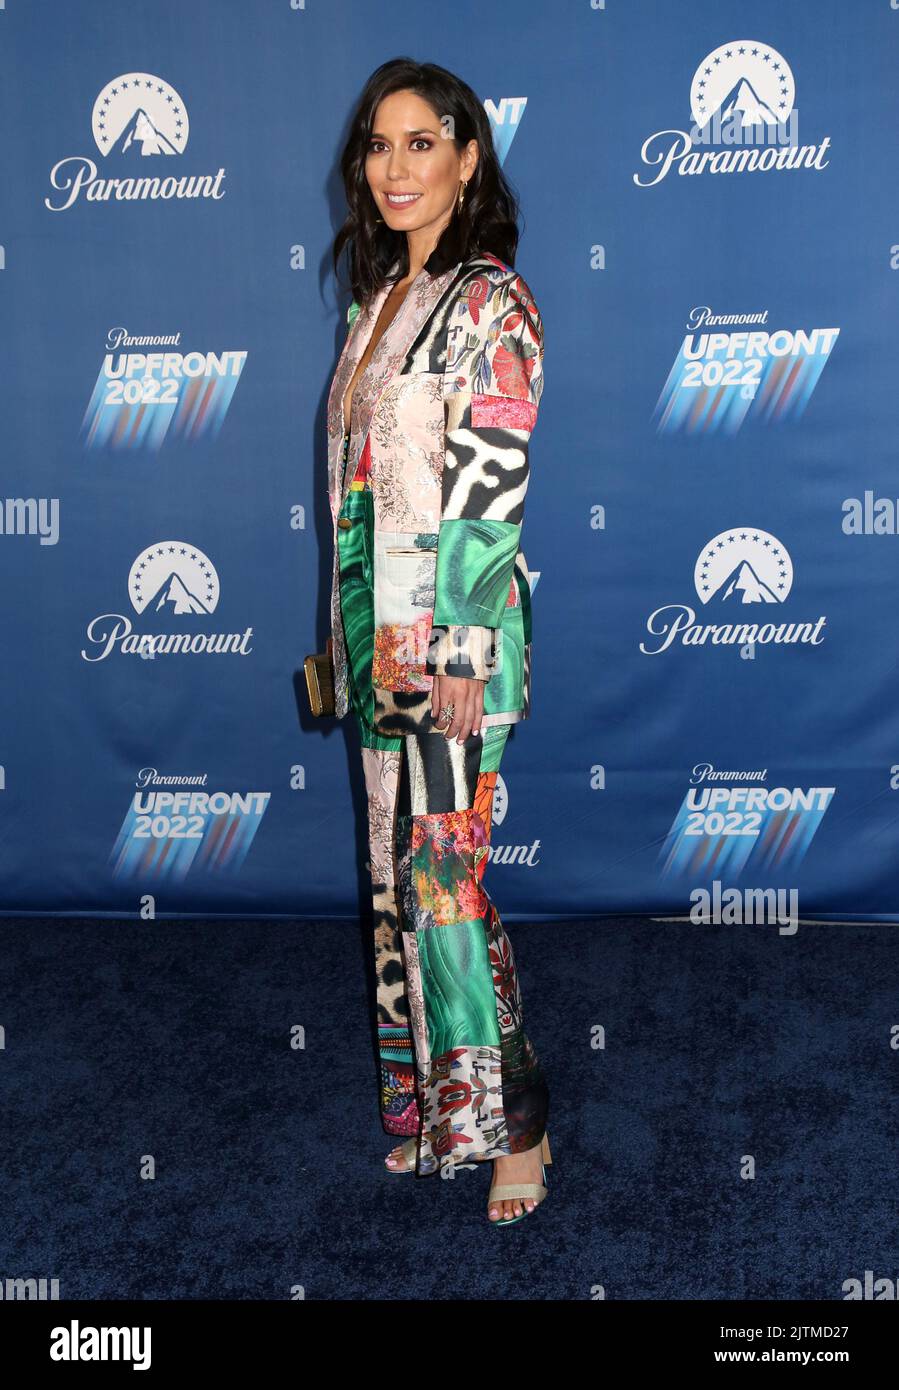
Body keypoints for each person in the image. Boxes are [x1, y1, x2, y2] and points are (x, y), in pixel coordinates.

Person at [325, 57, 550, 1225]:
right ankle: (434, 1116)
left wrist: (460, 647)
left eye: (421, 143)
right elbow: (362, 500)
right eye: (378, 144)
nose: (395, 167)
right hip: (381, 663)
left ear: (467, 159)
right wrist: (349, 647)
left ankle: (520, 1128)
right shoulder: (376, 311)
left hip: (455, 660)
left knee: (446, 885)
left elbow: (491, 474)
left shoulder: (488, 301)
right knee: (394, 888)